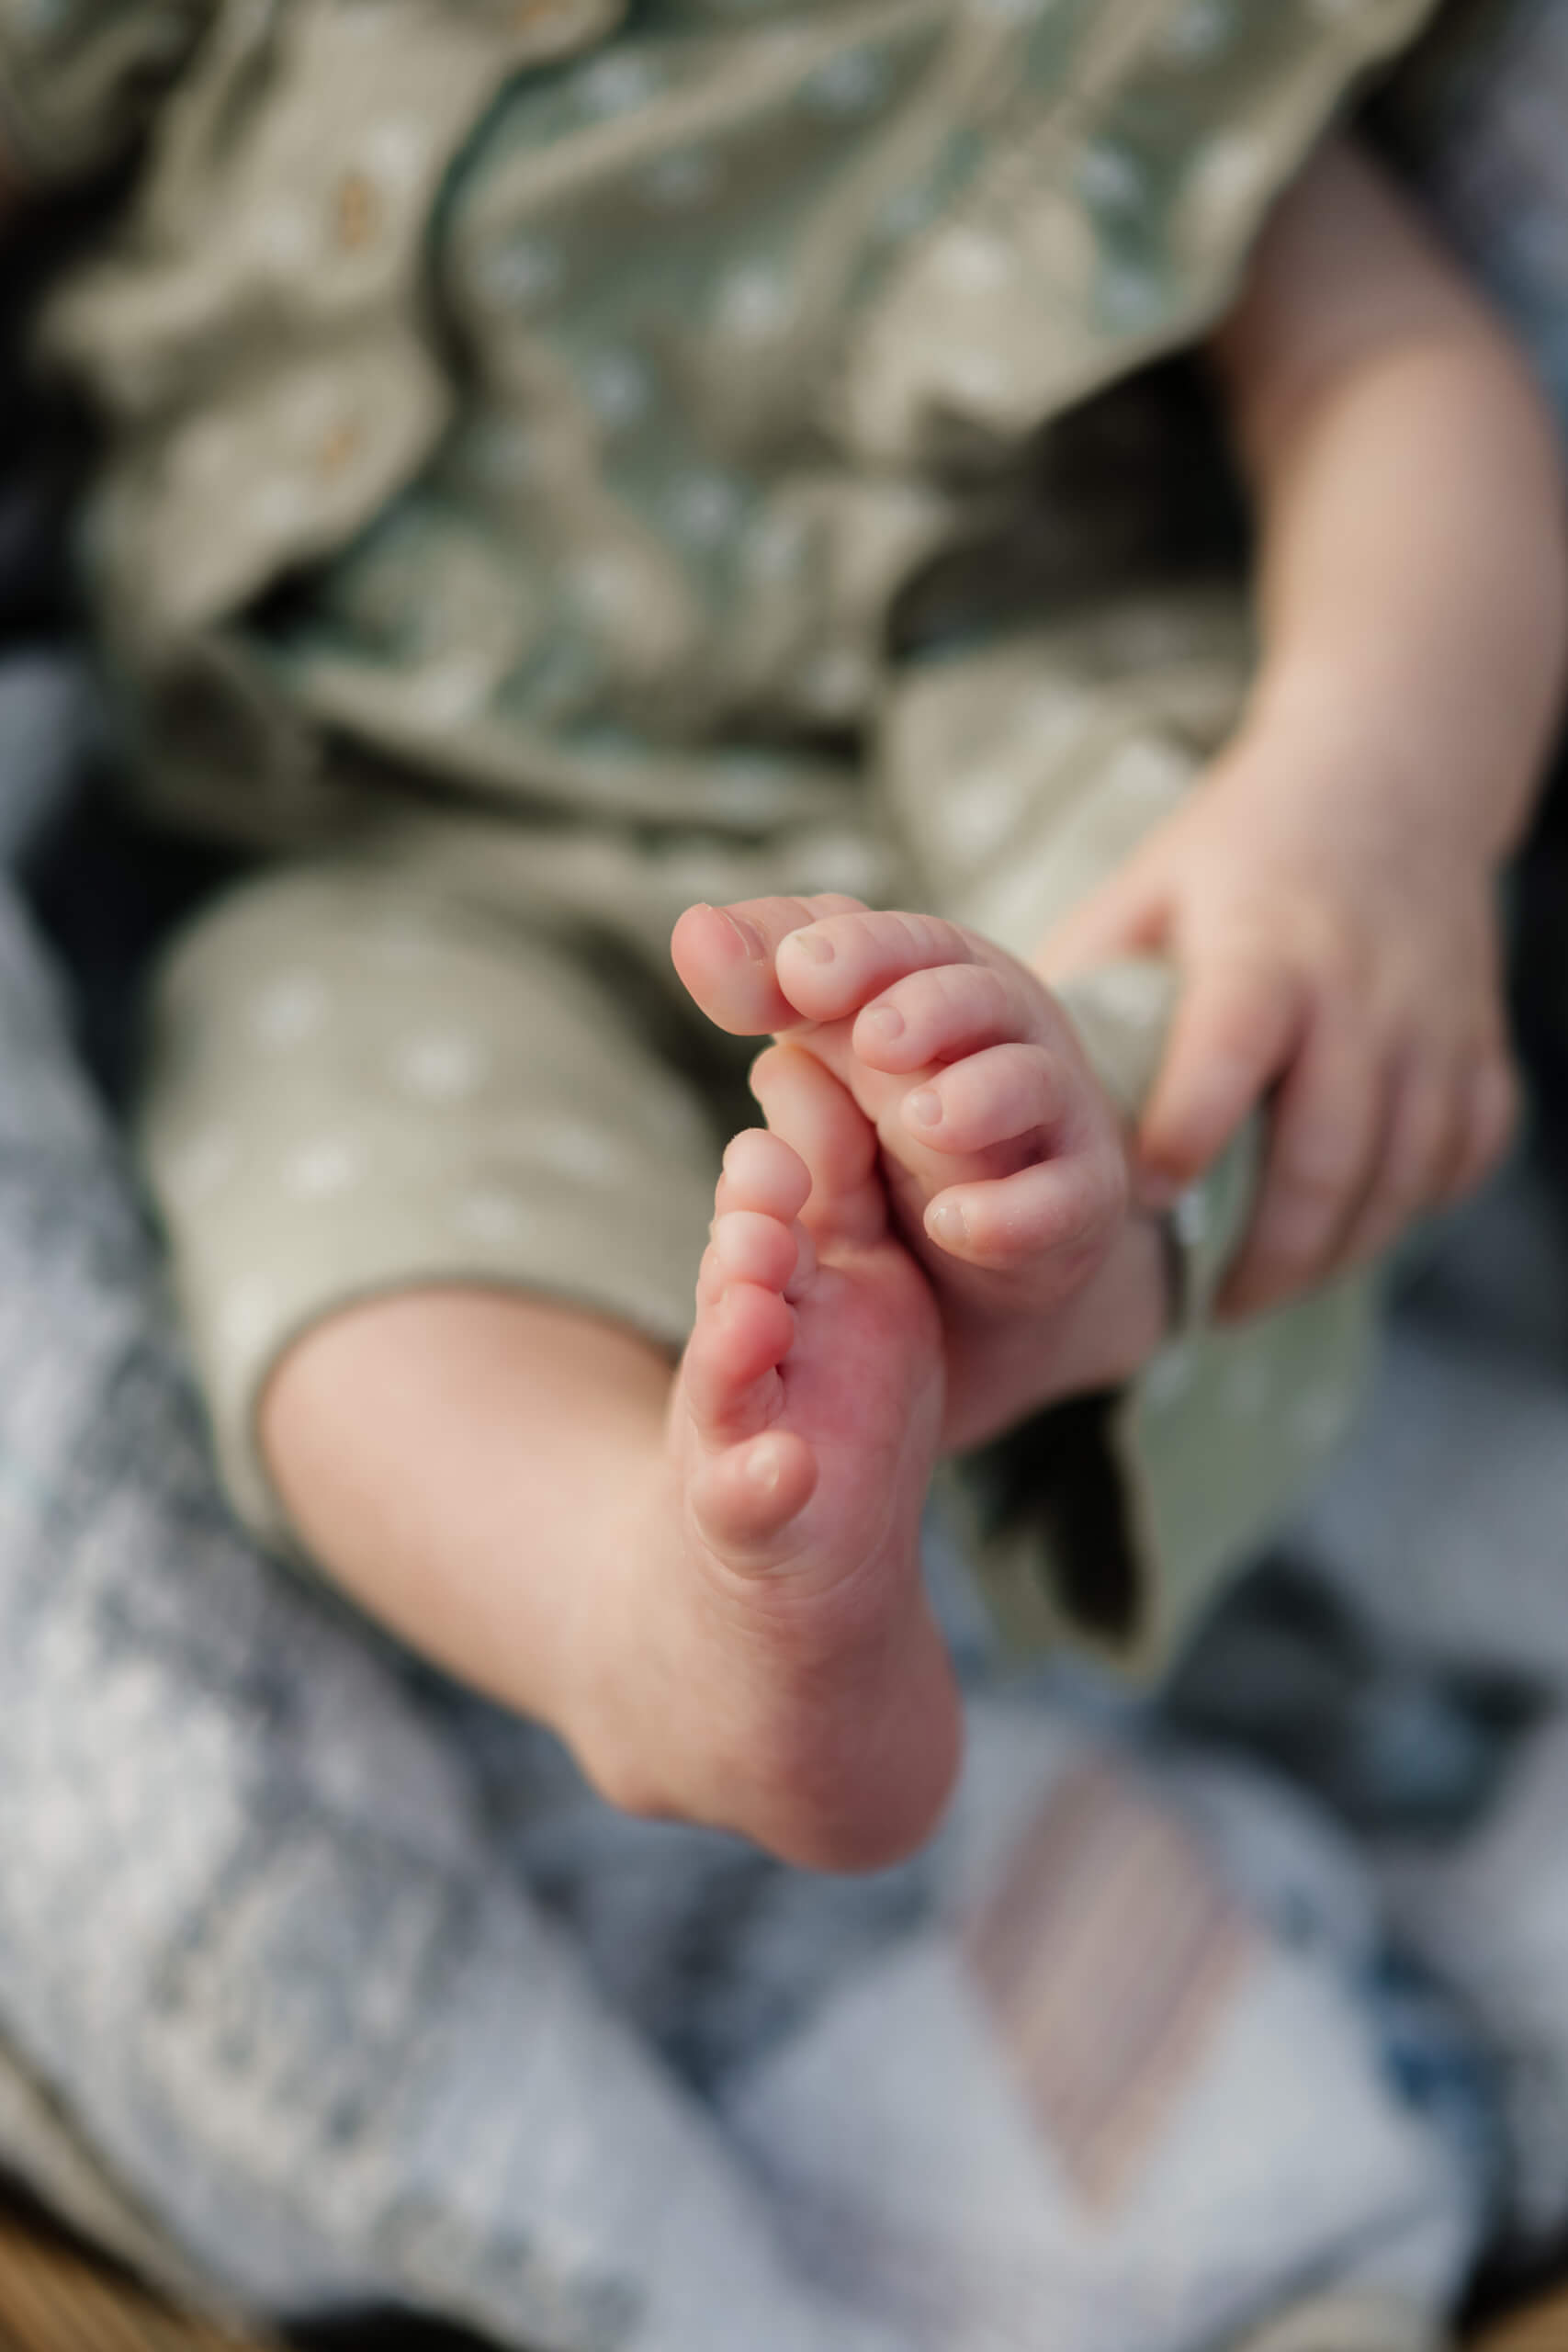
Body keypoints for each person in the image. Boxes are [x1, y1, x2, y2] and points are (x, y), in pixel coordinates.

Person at [4, 0, 1562, 1874]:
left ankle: (1036, 1275)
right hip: (391, 836)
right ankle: (646, 1598)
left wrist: (1365, 798)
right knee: (315, 1178)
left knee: (1238, 968)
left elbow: (1386, 378)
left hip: (970, 772)